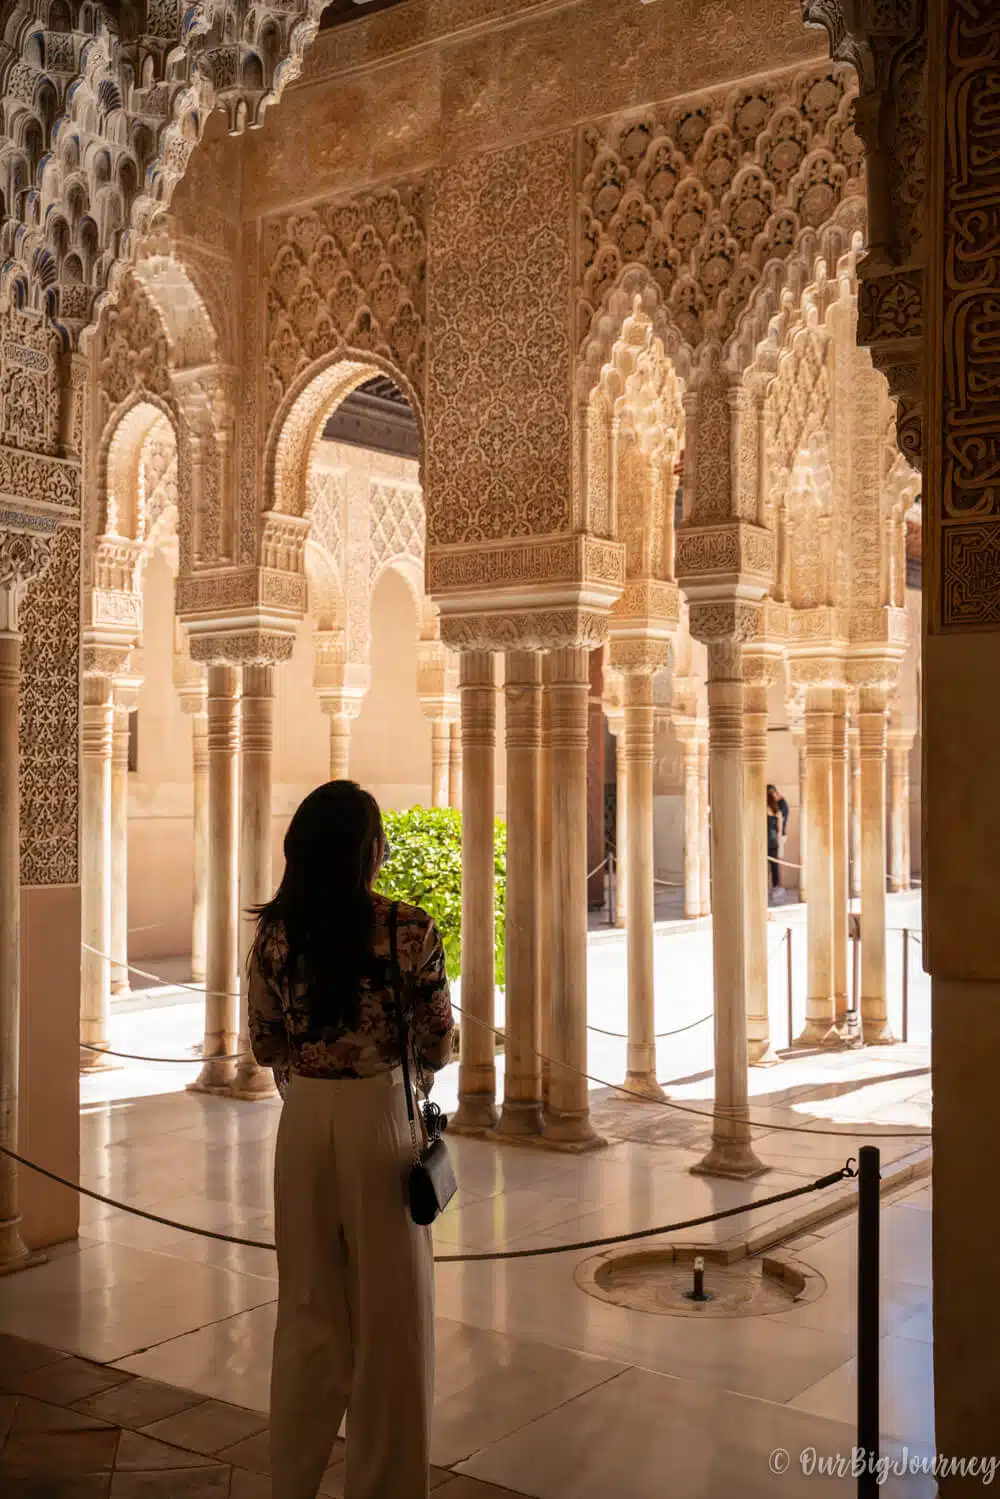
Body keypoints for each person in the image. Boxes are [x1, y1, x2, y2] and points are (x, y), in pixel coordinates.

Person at [248, 780, 454, 1499]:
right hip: (380, 1124)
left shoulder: (276, 935)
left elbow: (265, 1044)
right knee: (391, 1322)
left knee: (308, 1311)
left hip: (303, 1125)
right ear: (368, 851)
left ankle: (292, 1482)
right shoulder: (408, 929)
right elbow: (439, 1041)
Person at [766, 783, 789, 898]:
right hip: (774, 839)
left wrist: (779, 838)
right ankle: (777, 886)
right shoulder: (777, 807)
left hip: (775, 839)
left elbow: (780, 826)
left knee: (776, 863)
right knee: (775, 863)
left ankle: (779, 886)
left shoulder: (780, 805)